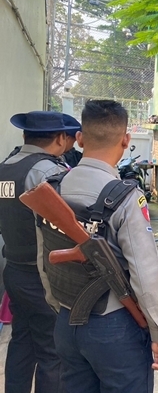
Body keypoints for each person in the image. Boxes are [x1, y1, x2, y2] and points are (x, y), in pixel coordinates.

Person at [37, 100, 158, 391]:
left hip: (66, 323)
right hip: (114, 328)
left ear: (80, 138)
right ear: (126, 140)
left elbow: (45, 257)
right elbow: (146, 275)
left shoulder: (51, 188)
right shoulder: (125, 198)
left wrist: (59, 306)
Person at [0, 111, 79, 393]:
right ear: (60, 138)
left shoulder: (5, 167)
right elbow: (66, 224)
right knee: (52, 351)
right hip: (41, 277)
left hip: (14, 270)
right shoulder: (48, 172)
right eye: (70, 139)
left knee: (22, 341)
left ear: (25, 136)